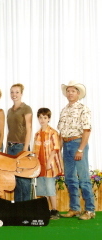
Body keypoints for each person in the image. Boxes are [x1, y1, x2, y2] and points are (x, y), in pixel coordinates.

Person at [57, 81, 95, 220]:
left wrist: (80, 149)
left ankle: (90, 210)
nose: (70, 93)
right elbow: (61, 132)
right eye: (68, 91)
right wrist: (58, 150)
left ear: (78, 93)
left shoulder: (83, 109)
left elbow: (87, 130)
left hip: (78, 142)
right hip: (66, 144)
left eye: (73, 91)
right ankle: (75, 208)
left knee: (84, 178)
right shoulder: (64, 110)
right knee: (70, 178)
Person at [33, 108, 64, 220]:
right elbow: (35, 150)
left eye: (45, 118)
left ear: (49, 119)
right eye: (40, 117)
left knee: (50, 187)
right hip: (40, 165)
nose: (42, 120)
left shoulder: (53, 133)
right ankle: (45, 209)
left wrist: (49, 162)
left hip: (49, 165)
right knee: (41, 188)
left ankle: (55, 210)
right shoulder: (37, 134)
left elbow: (56, 148)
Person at [6, 83, 33, 202]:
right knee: (15, 178)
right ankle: (18, 207)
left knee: (24, 178)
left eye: (17, 92)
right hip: (11, 147)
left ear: (21, 94)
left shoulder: (26, 108)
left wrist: (25, 148)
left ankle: (26, 206)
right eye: (12, 92)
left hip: (21, 146)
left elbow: (29, 128)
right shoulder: (9, 110)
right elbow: (10, 130)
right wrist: (6, 148)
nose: (14, 94)